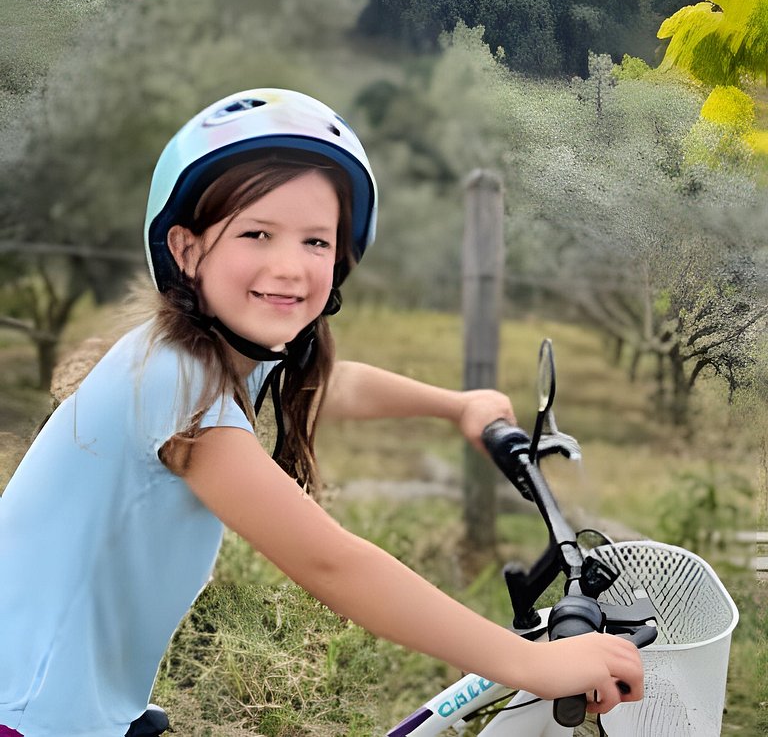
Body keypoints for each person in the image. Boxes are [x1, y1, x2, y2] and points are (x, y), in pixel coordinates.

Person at [0, 89, 643, 736]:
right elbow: (332, 564)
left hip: (84, 702)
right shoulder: (173, 381)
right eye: (256, 233)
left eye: (315, 240)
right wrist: (534, 664)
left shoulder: (212, 355)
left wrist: (457, 406)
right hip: (29, 712)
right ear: (187, 249)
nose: (289, 265)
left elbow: (334, 385)